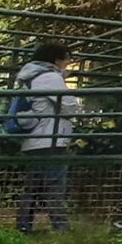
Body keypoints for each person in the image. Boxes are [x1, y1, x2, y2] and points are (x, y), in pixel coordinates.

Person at [10, 41, 76, 233]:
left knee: (33, 186)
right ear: (57, 60)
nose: (67, 65)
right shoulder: (49, 78)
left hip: (33, 140)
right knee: (55, 186)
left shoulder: (29, 76)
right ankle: (60, 227)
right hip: (50, 138)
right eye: (66, 61)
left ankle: (24, 226)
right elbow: (70, 106)